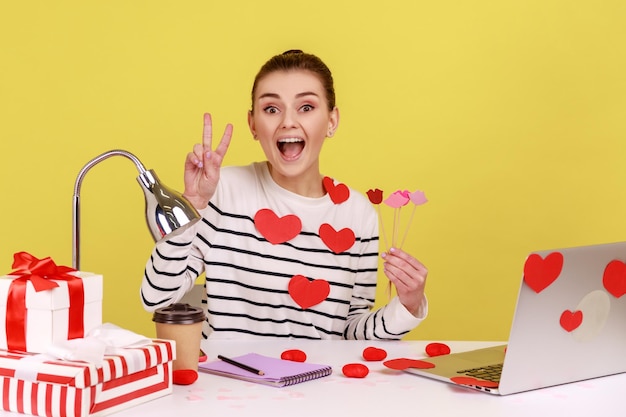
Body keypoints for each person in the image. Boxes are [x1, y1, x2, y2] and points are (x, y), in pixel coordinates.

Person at [141, 50, 428, 340]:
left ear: (331, 121)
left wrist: (408, 305)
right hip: (229, 380)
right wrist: (193, 205)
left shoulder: (359, 214)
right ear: (253, 125)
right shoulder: (222, 191)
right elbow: (156, 299)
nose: (288, 122)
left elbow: (350, 330)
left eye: (305, 107)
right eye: (271, 109)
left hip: (321, 383)